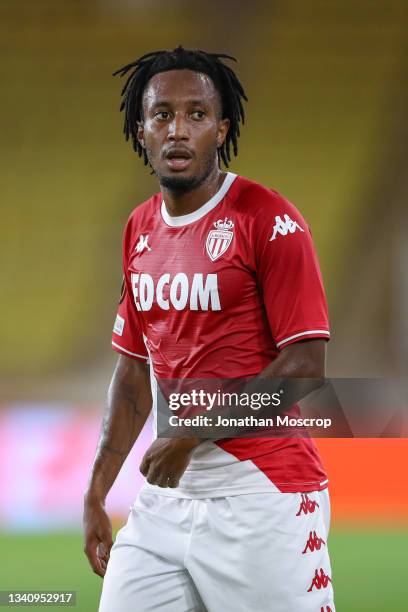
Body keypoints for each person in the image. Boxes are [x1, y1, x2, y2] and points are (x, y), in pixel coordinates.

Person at [83, 46, 335, 612]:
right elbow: (131, 373)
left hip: (262, 497)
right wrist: (98, 490)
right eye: (162, 115)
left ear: (221, 130)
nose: (178, 129)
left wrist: (190, 436)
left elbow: (306, 367)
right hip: (165, 502)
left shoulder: (268, 219)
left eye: (196, 115)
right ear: (141, 130)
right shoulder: (139, 228)